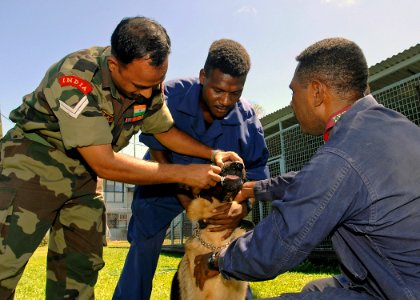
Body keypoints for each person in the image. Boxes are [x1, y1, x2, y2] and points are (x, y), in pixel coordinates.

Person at [0, 16, 240, 299]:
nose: (149, 93)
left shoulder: (147, 82)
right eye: (140, 86)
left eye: (156, 83)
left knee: (79, 270)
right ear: (114, 65)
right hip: (31, 164)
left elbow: (164, 130)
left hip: (83, 177)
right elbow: (105, 162)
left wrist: (211, 153)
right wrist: (183, 173)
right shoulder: (76, 78)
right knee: (5, 261)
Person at [194, 37, 420, 300]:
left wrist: (218, 258)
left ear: (316, 92)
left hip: (402, 290)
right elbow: (313, 182)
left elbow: (277, 246)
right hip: (390, 276)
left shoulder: (343, 153)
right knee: (314, 289)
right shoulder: (390, 127)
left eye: (293, 92)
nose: (291, 103)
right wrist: (252, 189)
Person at [112, 39, 270, 300]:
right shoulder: (170, 95)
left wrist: (241, 207)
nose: (225, 100)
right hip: (162, 182)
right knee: (144, 247)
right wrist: (185, 199)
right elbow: (158, 146)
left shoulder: (248, 120)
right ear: (203, 76)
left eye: (235, 93)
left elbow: (257, 171)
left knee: (228, 249)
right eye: (218, 90)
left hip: (216, 196)